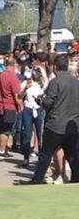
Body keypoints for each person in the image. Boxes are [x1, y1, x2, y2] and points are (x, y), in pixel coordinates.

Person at [28, 55, 79, 184]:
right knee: (73, 156)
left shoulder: (55, 82)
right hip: (72, 125)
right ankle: (76, 179)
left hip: (55, 125)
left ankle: (37, 179)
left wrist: (40, 101)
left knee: (45, 155)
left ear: (55, 67)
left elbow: (48, 103)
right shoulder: (76, 82)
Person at [0, 58, 22, 159]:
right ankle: (2, 150)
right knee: (6, 130)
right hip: (9, 106)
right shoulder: (13, 77)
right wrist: (20, 105)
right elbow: (16, 95)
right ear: (14, 65)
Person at [19, 67, 48, 168]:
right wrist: (26, 87)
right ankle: (26, 158)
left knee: (40, 134)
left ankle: (41, 158)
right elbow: (19, 96)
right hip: (28, 110)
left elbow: (46, 81)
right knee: (27, 134)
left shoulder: (41, 84)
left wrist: (41, 68)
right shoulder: (25, 83)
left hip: (38, 110)